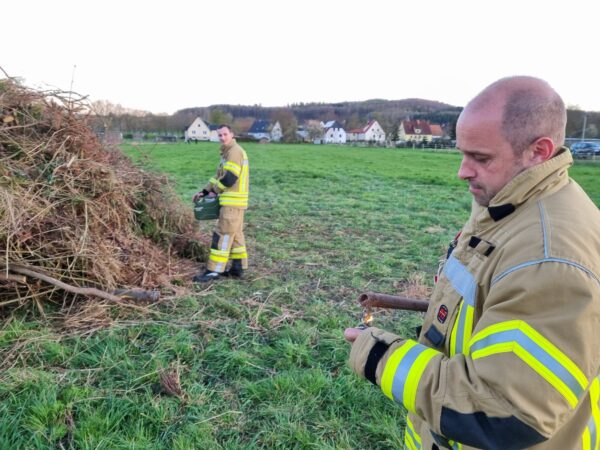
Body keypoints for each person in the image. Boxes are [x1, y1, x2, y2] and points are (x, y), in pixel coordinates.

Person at [345, 76, 600, 449]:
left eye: (480, 157)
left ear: (539, 151)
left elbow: (502, 411)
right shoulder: (508, 202)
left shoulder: (550, 258)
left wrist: (378, 354)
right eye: (463, 153)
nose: (462, 170)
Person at [192, 124, 249, 282]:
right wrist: (204, 191)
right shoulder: (227, 153)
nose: (222, 138)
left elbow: (230, 178)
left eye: (225, 134)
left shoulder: (235, 152)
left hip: (232, 204)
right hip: (234, 204)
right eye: (220, 135)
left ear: (232, 134)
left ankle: (213, 271)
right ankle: (238, 269)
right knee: (235, 235)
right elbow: (218, 177)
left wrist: (215, 191)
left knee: (222, 235)